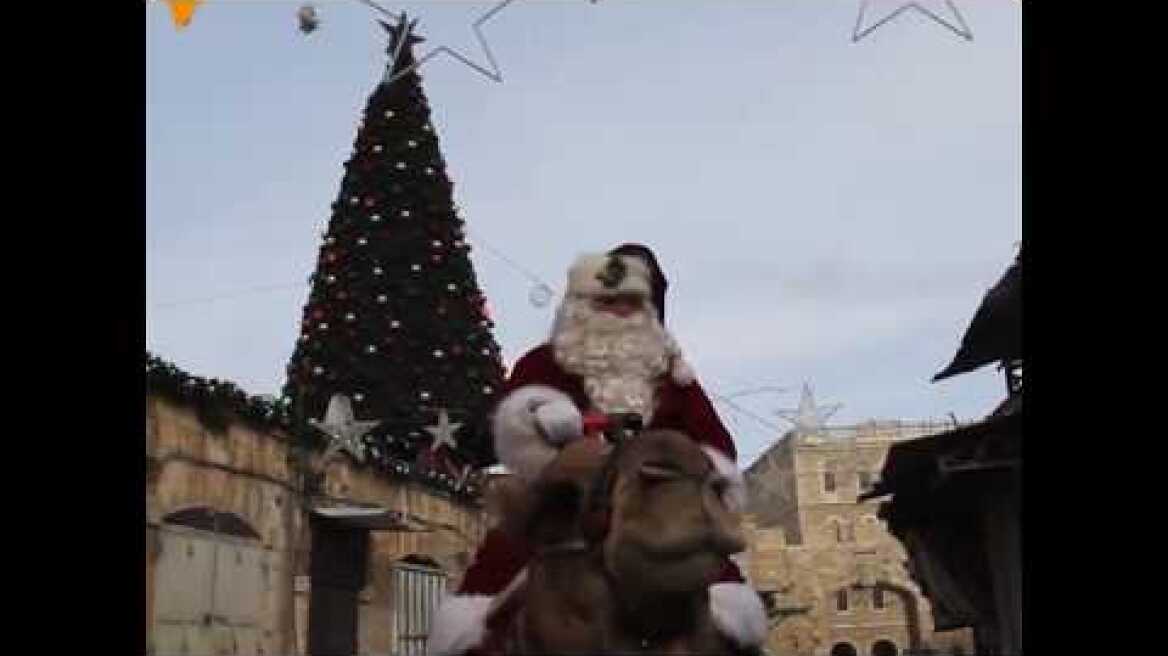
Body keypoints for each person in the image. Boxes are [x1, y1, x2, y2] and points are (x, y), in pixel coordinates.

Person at [427, 244, 766, 656]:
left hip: (653, 509)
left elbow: (717, 449)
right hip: (563, 508)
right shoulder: (543, 364)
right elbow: (507, 425)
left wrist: (676, 466)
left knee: (723, 600)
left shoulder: (674, 380)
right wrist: (548, 443)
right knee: (492, 589)